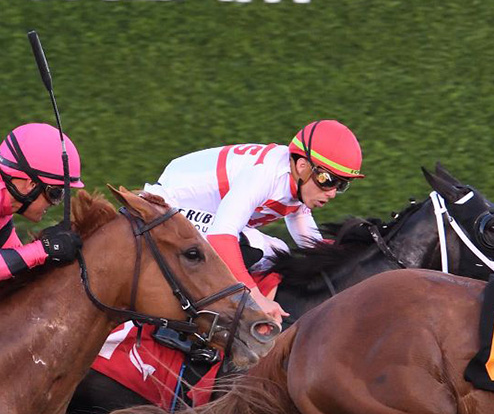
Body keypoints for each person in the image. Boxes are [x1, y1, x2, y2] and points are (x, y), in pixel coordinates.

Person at [145, 119, 364, 325]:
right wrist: (255, 297)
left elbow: (308, 236)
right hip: (165, 206)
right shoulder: (266, 174)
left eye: (341, 185)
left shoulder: (297, 182)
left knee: (276, 250)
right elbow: (221, 237)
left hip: (195, 212)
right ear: (302, 166)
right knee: (264, 249)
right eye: (328, 180)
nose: (333, 193)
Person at [0, 122, 83, 285]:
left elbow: (19, 272)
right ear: (31, 184)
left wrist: (52, 249)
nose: (55, 203)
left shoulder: (0, 206)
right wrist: (45, 248)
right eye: (55, 193)